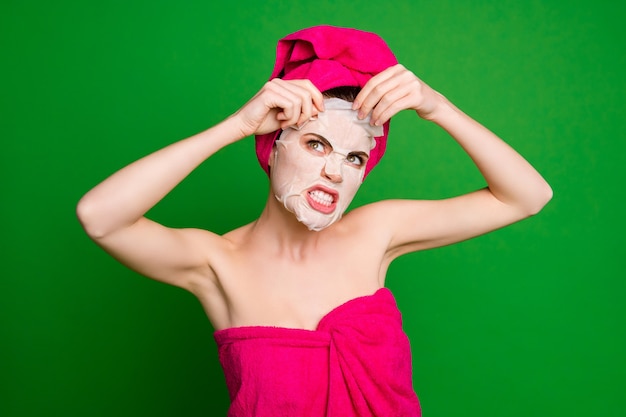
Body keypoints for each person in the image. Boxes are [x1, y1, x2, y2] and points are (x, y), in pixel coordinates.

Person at [76, 25, 552, 417]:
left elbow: (528, 196)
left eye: (355, 158)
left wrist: (437, 107)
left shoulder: (375, 233)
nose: (334, 170)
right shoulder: (218, 262)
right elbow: (100, 217)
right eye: (316, 144)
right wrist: (236, 126)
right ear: (272, 147)